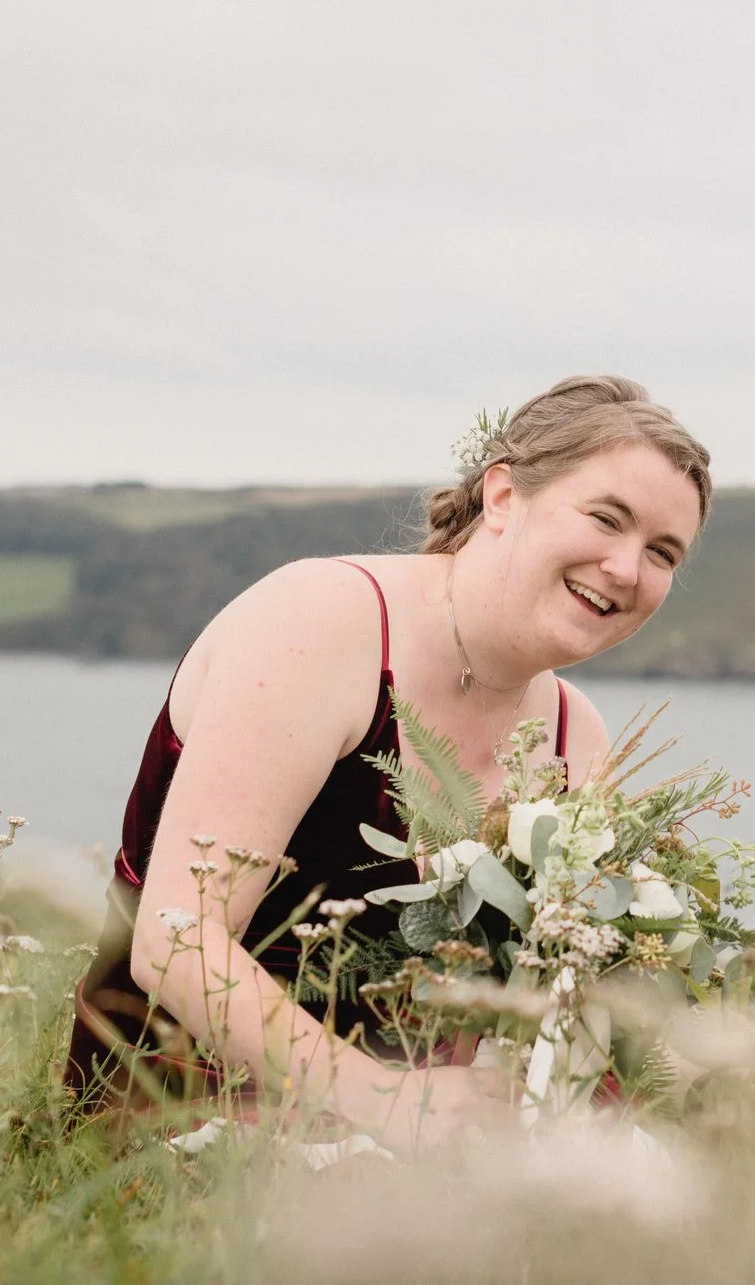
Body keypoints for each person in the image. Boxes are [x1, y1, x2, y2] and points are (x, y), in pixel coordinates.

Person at [65, 375, 712, 1151]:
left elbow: (583, 988)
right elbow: (174, 942)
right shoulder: (322, 623)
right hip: (181, 1119)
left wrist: (715, 1081)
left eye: (662, 553)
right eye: (607, 518)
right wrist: (382, 1099)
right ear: (503, 495)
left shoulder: (579, 736)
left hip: (427, 1149)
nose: (626, 568)